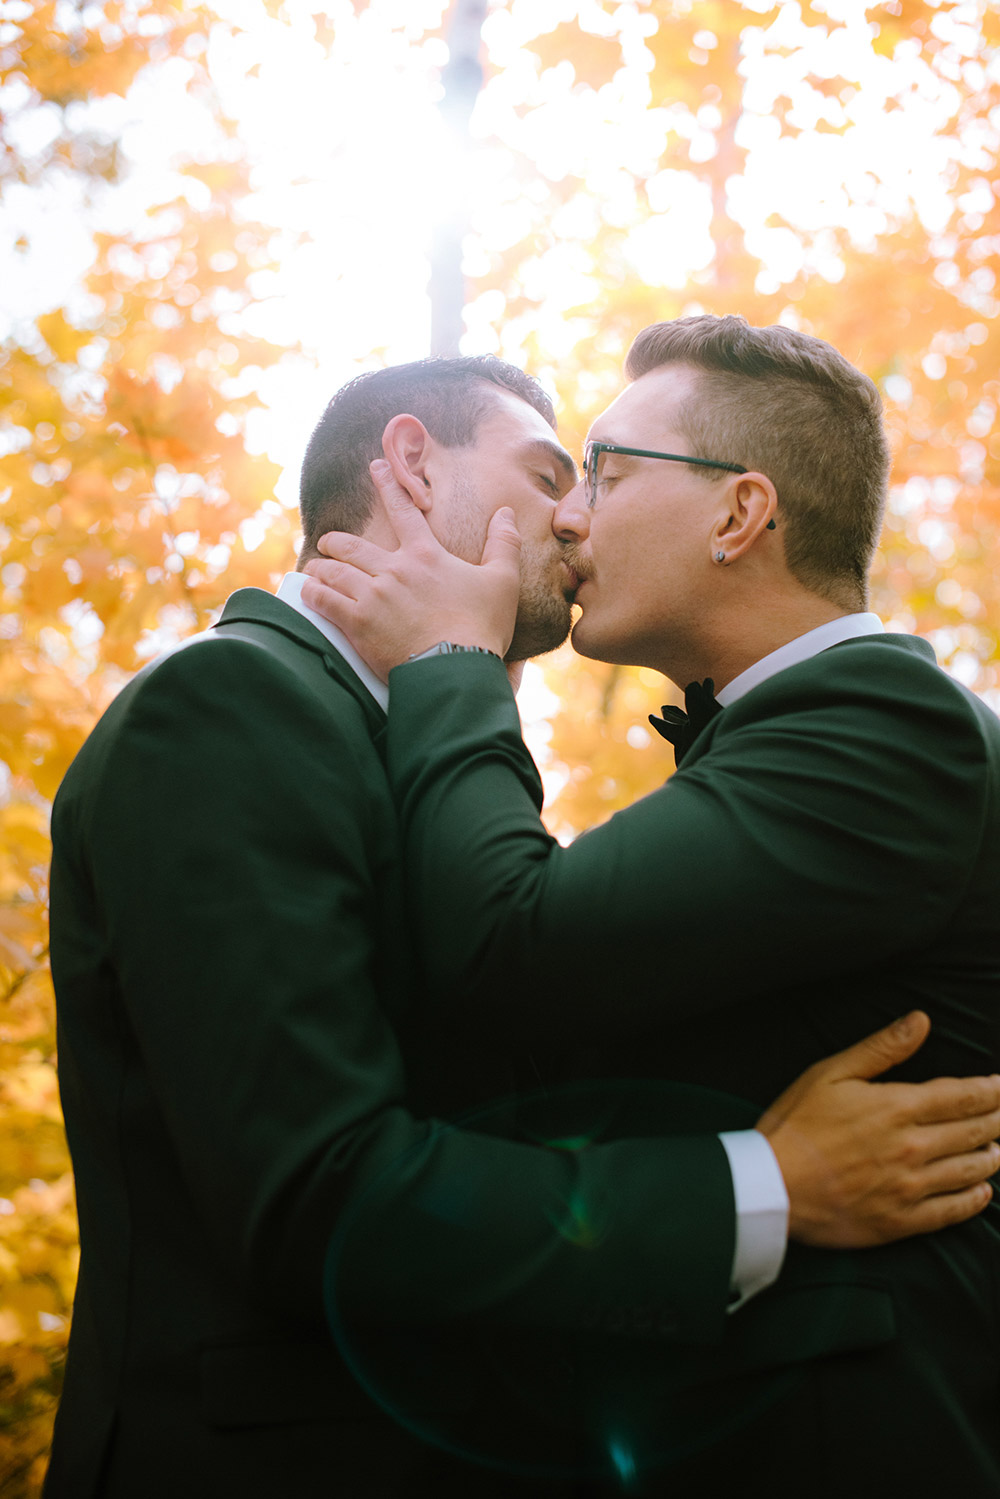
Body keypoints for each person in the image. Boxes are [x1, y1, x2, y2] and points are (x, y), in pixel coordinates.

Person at [46, 356, 999, 1499]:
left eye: (598, 475)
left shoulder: (411, 753)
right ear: (407, 464)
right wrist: (764, 1182)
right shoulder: (230, 705)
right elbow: (314, 1193)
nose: (569, 513)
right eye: (554, 472)